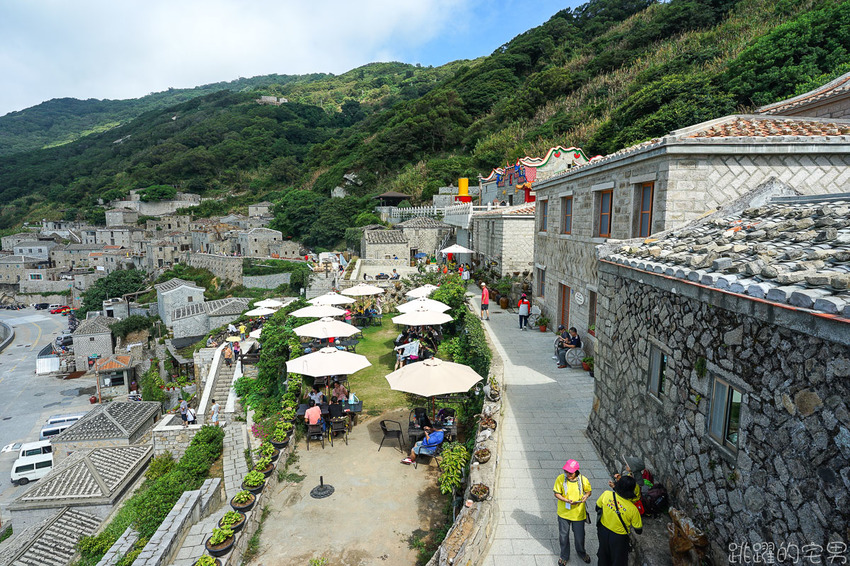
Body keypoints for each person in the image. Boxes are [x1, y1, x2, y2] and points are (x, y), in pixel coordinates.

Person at [596, 476, 642, 566]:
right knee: (618, 560)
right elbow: (638, 530)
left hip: (603, 531)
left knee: (603, 555)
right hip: (619, 538)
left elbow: (597, 507)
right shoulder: (633, 509)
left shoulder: (606, 494)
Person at [554, 459, 593, 564]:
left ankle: (582, 553)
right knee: (563, 537)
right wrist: (566, 500)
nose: (568, 474)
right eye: (566, 471)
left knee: (580, 537)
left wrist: (586, 496)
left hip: (578, 514)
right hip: (564, 513)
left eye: (570, 472)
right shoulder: (560, 479)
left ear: (576, 471)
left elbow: (589, 491)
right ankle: (564, 556)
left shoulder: (583, 480)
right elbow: (556, 493)